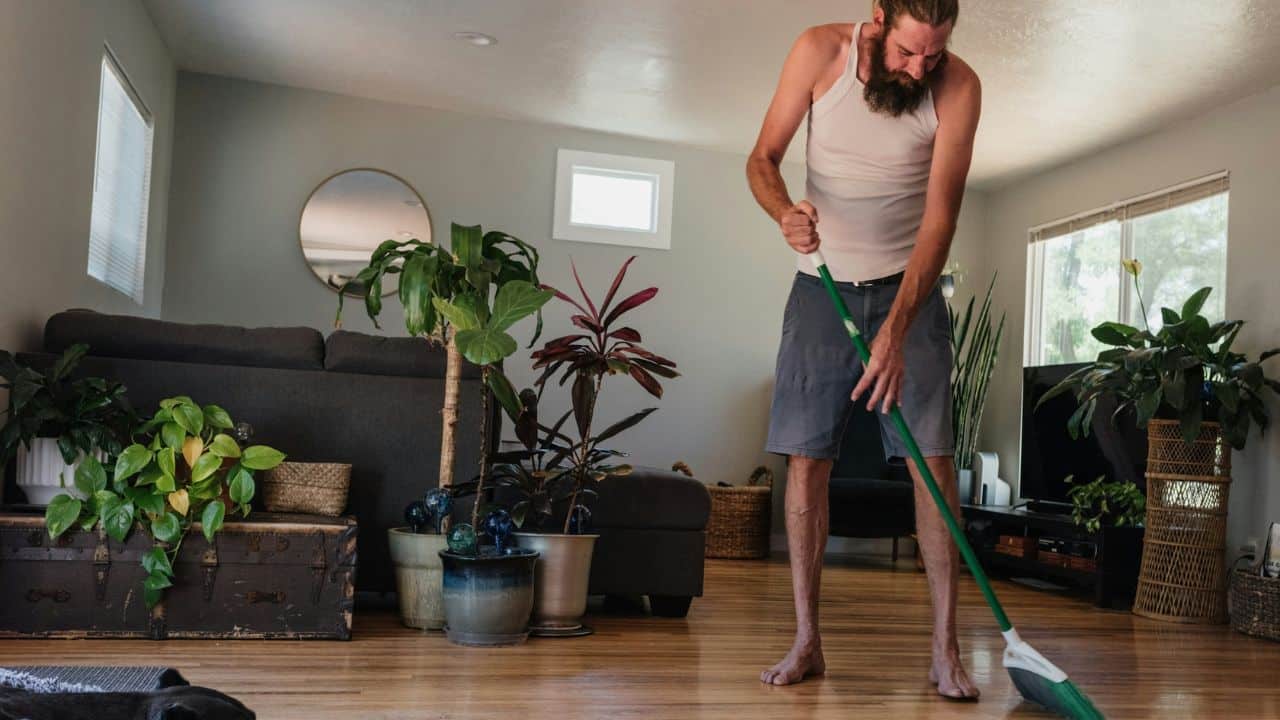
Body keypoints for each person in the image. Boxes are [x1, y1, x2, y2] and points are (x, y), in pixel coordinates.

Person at [745, 0, 982, 699]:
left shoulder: (960, 87)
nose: (920, 67)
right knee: (806, 463)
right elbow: (762, 160)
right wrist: (784, 211)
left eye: (933, 54)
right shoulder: (819, 52)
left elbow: (941, 219)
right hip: (819, 290)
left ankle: (945, 652)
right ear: (878, 17)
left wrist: (899, 328)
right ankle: (806, 641)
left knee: (934, 466)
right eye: (910, 51)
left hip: (911, 290)